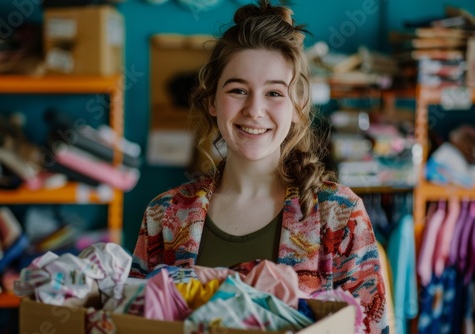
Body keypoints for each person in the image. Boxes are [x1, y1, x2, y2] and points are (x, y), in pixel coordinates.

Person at [130, 1, 389, 332]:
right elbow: (130, 320)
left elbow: (371, 326)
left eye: (274, 93)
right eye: (238, 90)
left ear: (297, 107)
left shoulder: (339, 215)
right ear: (212, 101)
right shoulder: (164, 215)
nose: (254, 109)